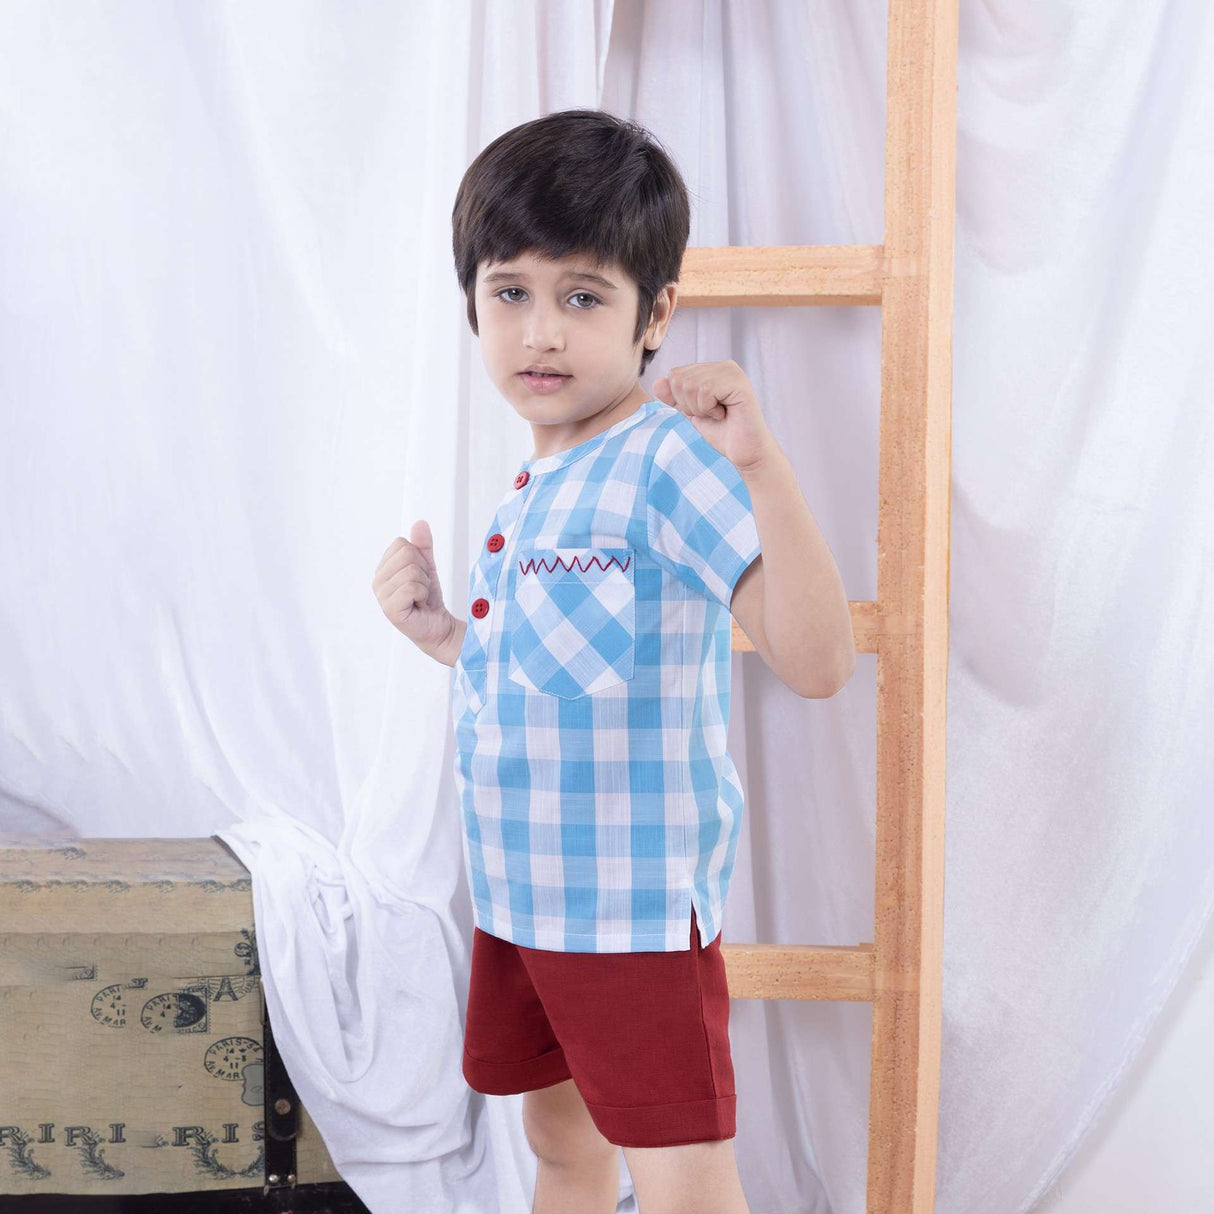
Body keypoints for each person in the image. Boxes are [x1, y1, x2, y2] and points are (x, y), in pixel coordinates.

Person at [372, 108, 854, 1214]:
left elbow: (818, 661)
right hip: (522, 895)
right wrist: (446, 636)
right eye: (511, 293)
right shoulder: (542, 479)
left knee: (682, 1175)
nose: (540, 331)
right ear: (474, 304)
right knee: (559, 1140)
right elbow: (559, 674)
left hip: (627, 913)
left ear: (655, 315)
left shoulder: (664, 462)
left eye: (580, 297)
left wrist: (760, 461)